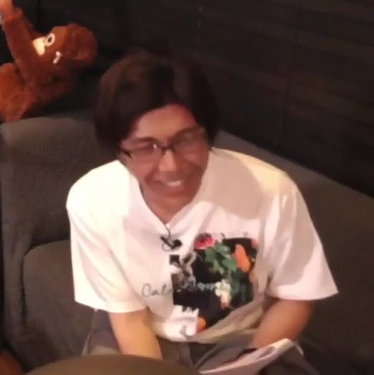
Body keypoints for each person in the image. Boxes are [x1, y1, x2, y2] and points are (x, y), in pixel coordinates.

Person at [66, 48, 337, 373]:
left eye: (186, 139)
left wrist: (248, 363)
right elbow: (131, 321)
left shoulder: (270, 191)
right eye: (147, 147)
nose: (171, 166)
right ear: (119, 150)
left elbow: (296, 295)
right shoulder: (93, 200)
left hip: (240, 338)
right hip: (142, 333)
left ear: (208, 133)